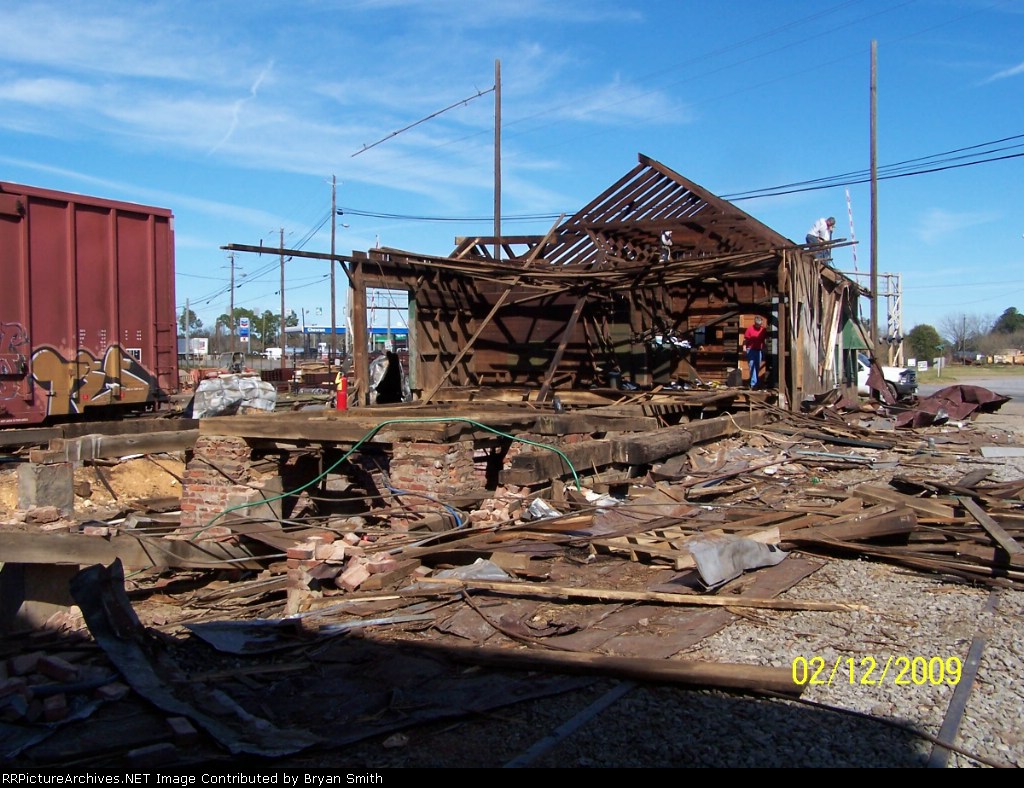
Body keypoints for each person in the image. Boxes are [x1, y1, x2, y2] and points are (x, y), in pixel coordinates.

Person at [743, 316, 768, 389]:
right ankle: (754, 384)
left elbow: (763, 340)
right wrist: (744, 348)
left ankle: (755, 382)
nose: (759, 326)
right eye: (757, 324)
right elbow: (745, 340)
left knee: (757, 366)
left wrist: (765, 347)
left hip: (758, 350)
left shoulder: (763, 330)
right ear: (755, 323)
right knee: (752, 366)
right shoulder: (750, 329)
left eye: (760, 324)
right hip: (750, 350)